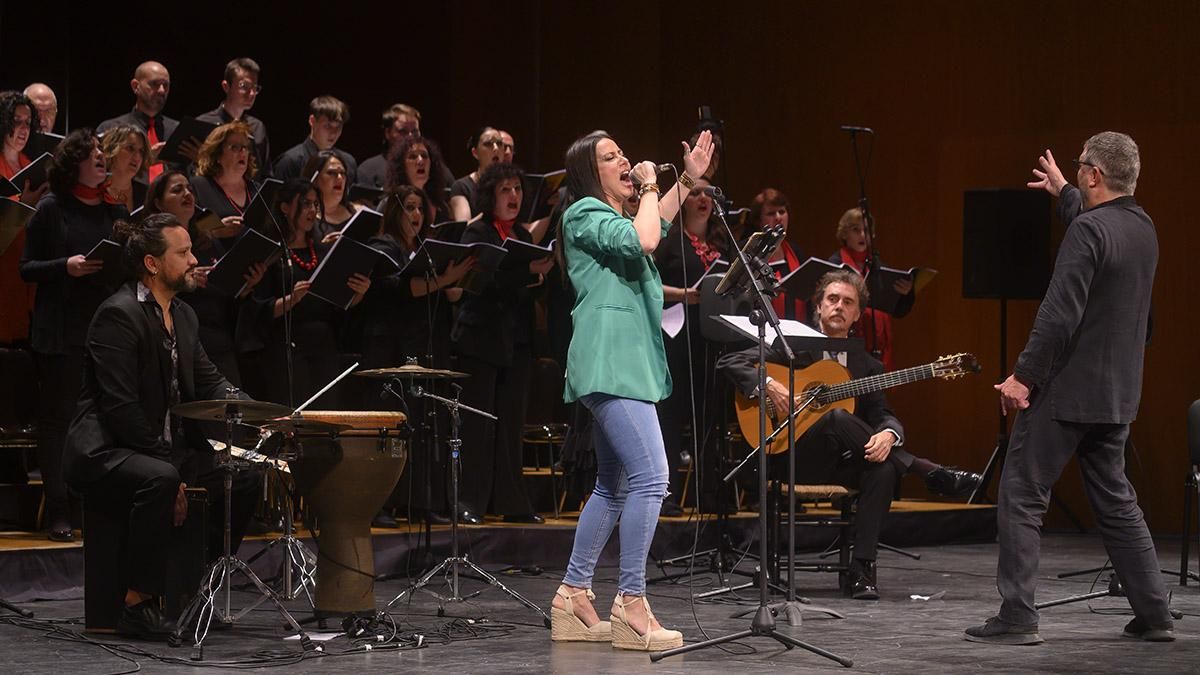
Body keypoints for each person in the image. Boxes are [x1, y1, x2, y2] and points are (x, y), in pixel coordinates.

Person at [965, 133, 1174, 645]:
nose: (1078, 172)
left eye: (1082, 167)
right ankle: (1155, 614)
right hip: (1117, 395)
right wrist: (1064, 193)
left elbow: (1058, 315)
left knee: (1020, 493)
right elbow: (1099, 228)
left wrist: (1022, 377)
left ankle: (1018, 616)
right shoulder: (1143, 228)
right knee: (1117, 501)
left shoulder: (1087, 234)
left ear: (1094, 174)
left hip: (1066, 394)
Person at [718, 270, 981, 599]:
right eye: (832, 299)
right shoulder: (792, 348)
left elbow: (885, 416)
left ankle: (862, 571)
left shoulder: (868, 365)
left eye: (848, 302)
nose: (839, 306)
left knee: (883, 468)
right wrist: (770, 385)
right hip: (790, 455)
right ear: (818, 307)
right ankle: (924, 470)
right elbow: (730, 362)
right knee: (837, 416)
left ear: (858, 314)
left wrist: (888, 435)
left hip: (839, 461)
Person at [549, 129, 713, 650]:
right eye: (610, 157)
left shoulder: (614, 218)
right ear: (586, 174)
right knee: (652, 477)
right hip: (609, 361)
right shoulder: (583, 215)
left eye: (623, 152)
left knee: (614, 485)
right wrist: (647, 186)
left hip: (626, 363)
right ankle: (631, 603)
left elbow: (655, 222)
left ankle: (573, 595)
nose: (624, 159)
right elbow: (647, 237)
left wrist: (687, 180)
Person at [62, 213, 261, 640]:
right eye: (183, 252)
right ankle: (138, 603)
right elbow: (121, 410)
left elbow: (210, 380)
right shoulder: (118, 315)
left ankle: (197, 588)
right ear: (152, 264)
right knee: (161, 478)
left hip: (161, 450)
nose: (195, 260)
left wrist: (262, 412)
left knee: (244, 477)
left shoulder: (184, 315)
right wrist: (169, 467)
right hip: (107, 450)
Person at [20, 129, 128, 541]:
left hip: (103, 330)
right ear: (73, 164)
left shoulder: (111, 211)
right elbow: (26, 267)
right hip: (62, 331)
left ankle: (91, 504)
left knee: (97, 423)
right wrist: (65, 265)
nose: (101, 158)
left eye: (102, 152)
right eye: (92, 153)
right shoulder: (51, 208)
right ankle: (59, 509)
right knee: (59, 423)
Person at [452, 162, 551, 525]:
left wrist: (540, 273)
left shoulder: (523, 234)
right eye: (505, 190)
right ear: (490, 194)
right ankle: (470, 501)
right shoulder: (475, 231)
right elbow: (481, 281)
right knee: (478, 425)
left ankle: (512, 501)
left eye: (518, 189)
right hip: (480, 338)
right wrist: (527, 272)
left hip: (517, 340)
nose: (513, 196)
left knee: (511, 424)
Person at [253, 179, 369, 408]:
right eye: (305, 204)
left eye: (316, 204)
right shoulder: (271, 254)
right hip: (286, 346)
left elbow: (341, 305)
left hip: (324, 345)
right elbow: (258, 310)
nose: (312, 210)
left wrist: (359, 293)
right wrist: (292, 299)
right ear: (285, 208)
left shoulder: (324, 251)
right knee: (292, 412)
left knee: (326, 414)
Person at [144, 171, 266, 387]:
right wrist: (184, 281)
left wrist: (244, 287)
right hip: (173, 337)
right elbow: (144, 288)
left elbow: (225, 294)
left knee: (228, 410)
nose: (187, 193)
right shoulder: (149, 242)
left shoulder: (207, 240)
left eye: (190, 189)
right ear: (158, 203)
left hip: (217, 339)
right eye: (177, 190)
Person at [653, 175, 730, 516]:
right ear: (683, 199)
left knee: (710, 416)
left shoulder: (721, 241)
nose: (703, 199)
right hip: (675, 333)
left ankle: (708, 492)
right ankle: (665, 492)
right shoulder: (668, 238)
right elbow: (649, 284)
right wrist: (685, 295)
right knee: (670, 415)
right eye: (695, 193)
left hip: (711, 337)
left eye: (708, 193)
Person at [0, 90, 48, 346]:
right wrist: (24, 207)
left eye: (27, 123)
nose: (22, 129)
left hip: (27, 262)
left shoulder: (31, 165)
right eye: (15, 121)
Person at [97, 61, 178, 183]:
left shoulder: (177, 130)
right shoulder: (111, 128)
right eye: (155, 84)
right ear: (136, 86)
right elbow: (98, 172)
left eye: (166, 85)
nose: (162, 90)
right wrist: (145, 160)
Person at [195, 57, 270, 175]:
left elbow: (264, 173)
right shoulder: (203, 124)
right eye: (244, 86)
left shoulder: (257, 127)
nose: (251, 93)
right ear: (226, 86)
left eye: (255, 88)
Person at [188, 121, 260, 241]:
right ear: (217, 155)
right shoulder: (198, 186)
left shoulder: (258, 189)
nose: (242, 152)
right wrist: (215, 231)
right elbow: (187, 227)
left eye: (245, 147)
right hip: (213, 257)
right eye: (235, 147)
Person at [271, 95, 357, 185]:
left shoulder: (348, 162)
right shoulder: (290, 161)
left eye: (338, 127)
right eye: (328, 126)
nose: (333, 133)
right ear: (312, 121)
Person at [751, 188, 807, 320]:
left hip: (797, 326)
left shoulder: (796, 252)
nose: (778, 218)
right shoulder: (750, 253)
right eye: (771, 213)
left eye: (782, 211)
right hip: (762, 326)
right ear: (759, 220)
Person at [386, 135, 451, 224]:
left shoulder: (441, 206)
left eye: (424, 156)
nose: (420, 161)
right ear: (401, 166)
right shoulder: (390, 203)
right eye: (412, 156)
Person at [357, 103, 421, 189]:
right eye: (402, 131)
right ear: (387, 133)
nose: (410, 137)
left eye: (415, 131)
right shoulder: (368, 169)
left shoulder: (433, 168)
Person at [448, 127, 504, 221]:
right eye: (488, 144)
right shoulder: (462, 187)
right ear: (475, 153)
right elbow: (464, 228)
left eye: (499, 143)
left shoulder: (513, 185)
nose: (496, 148)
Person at [302, 150, 357, 239]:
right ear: (315, 179)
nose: (340, 178)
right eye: (331, 173)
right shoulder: (303, 218)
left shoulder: (356, 213)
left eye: (342, 173)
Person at [99, 125, 149, 212]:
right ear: (112, 149)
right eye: (130, 148)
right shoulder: (94, 192)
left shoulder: (147, 195)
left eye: (141, 151)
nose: (137, 157)